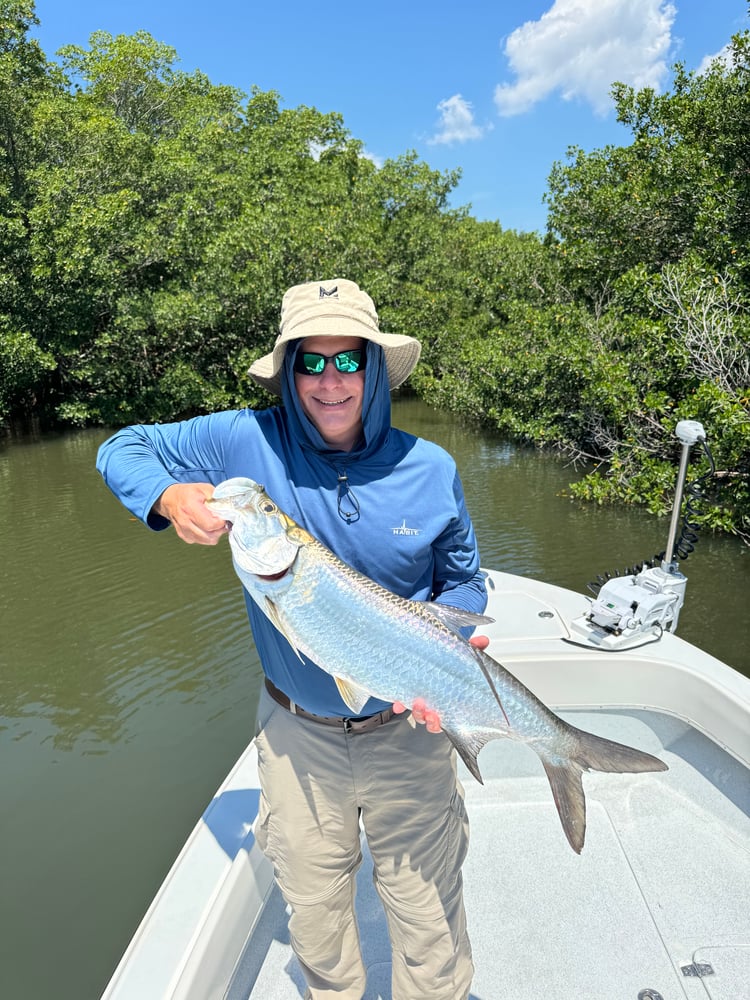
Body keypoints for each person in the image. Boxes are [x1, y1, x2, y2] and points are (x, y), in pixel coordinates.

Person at [96, 278, 488, 1000]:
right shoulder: (245, 438)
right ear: (289, 371)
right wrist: (168, 495)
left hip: (409, 729)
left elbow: (466, 587)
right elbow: (125, 446)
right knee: (316, 917)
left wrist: (445, 641)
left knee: (430, 921)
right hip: (296, 733)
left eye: (349, 361)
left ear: (375, 370)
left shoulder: (431, 469)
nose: (330, 381)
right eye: (311, 362)